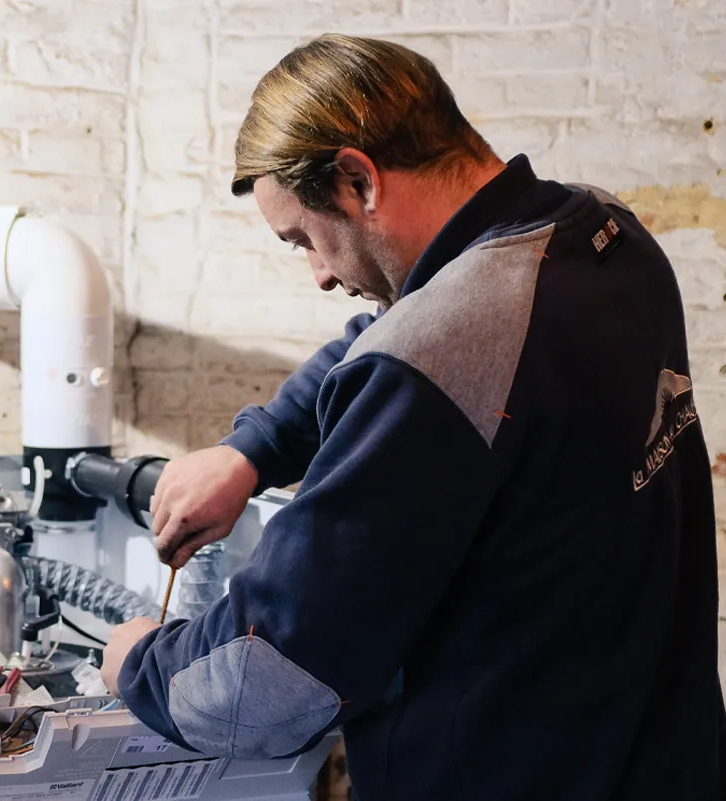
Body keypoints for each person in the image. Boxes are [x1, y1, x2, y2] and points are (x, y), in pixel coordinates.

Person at [98, 33, 725, 801]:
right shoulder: (605, 237)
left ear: (358, 179)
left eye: (307, 240)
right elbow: (406, 332)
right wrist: (253, 450)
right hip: (665, 759)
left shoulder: (440, 358)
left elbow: (259, 686)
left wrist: (139, 661)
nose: (321, 275)